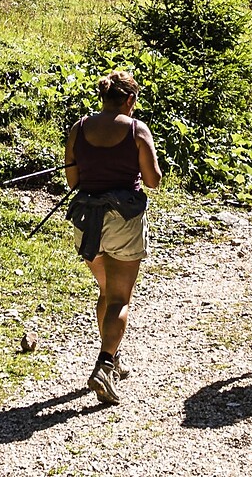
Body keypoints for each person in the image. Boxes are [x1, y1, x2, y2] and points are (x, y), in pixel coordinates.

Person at [63, 70, 163, 405]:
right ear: (130, 100)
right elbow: (152, 181)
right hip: (123, 220)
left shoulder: (79, 128)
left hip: (86, 222)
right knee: (120, 298)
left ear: (104, 97)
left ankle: (113, 356)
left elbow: (73, 181)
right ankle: (104, 366)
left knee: (105, 291)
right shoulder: (136, 129)